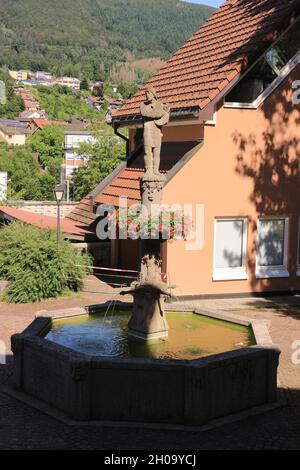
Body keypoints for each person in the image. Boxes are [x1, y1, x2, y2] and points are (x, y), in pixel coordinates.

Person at [140, 86, 170, 178]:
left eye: (148, 93)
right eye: (146, 94)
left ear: (153, 94)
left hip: (157, 130)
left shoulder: (160, 105)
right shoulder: (143, 105)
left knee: (157, 152)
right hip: (147, 130)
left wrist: (166, 111)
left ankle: (156, 170)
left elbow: (165, 117)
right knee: (147, 151)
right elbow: (145, 114)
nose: (147, 95)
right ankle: (148, 170)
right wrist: (159, 113)